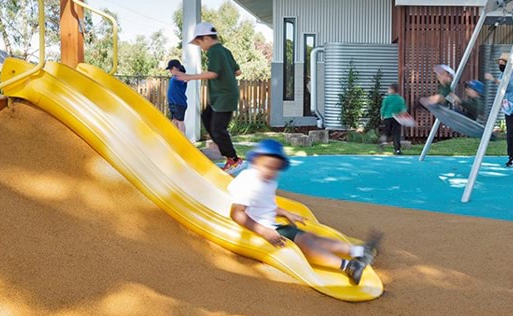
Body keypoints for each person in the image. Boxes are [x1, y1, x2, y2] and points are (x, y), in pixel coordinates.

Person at [228, 139, 381, 284]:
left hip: (273, 225)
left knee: (312, 237)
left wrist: (285, 213)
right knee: (306, 244)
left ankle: (359, 251)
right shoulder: (248, 181)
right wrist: (263, 231)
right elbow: (237, 213)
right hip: (261, 229)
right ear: (256, 161)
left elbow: (263, 205)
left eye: (275, 169)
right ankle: (347, 266)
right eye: (267, 167)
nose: (271, 172)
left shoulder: (268, 181)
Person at [174, 22, 244, 172]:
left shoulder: (214, 51)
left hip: (224, 96)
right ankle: (225, 151)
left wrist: (189, 76)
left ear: (206, 38)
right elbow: (238, 72)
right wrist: (227, 74)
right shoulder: (225, 51)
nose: (200, 47)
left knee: (218, 128)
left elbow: (213, 73)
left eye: (199, 43)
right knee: (206, 116)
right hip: (223, 95)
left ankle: (234, 159)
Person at [379, 83, 412, 155]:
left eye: (389, 89)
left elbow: (383, 108)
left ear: (392, 90)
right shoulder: (400, 99)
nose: (388, 90)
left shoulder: (387, 99)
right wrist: (403, 115)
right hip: (397, 118)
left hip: (388, 118)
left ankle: (383, 141)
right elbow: (403, 109)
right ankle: (397, 149)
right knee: (396, 134)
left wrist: (382, 115)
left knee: (387, 131)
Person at [165, 59, 189, 135]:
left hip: (179, 103)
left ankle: (183, 138)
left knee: (180, 121)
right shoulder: (174, 77)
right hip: (173, 103)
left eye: (171, 69)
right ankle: (174, 137)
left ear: (175, 68)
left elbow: (186, 79)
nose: (170, 71)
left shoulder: (179, 76)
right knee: (174, 121)